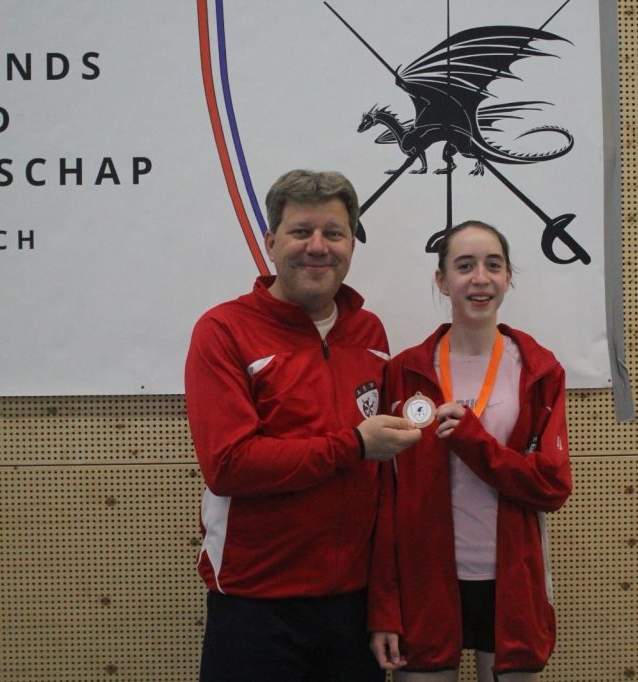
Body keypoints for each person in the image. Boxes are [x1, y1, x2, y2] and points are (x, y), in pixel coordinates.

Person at [185, 169, 421, 682]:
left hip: (352, 608)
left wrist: (384, 605)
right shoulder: (223, 331)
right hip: (255, 604)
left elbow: (381, 486)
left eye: (334, 233)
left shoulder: (369, 332)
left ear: (351, 244)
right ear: (271, 242)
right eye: (301, 232)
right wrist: (353, 444)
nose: (318, 247)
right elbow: (229, 465)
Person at [369, 220, 573, 682]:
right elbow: (383, 498)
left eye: (493, 265)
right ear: (442, 281)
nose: (480, 278)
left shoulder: (539, 370)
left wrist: (474, 441)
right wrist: (383, 605)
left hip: (510, 582)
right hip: (425, 581)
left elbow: (552, 486)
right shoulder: (404, 372)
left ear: (508, 278)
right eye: (464, 266)